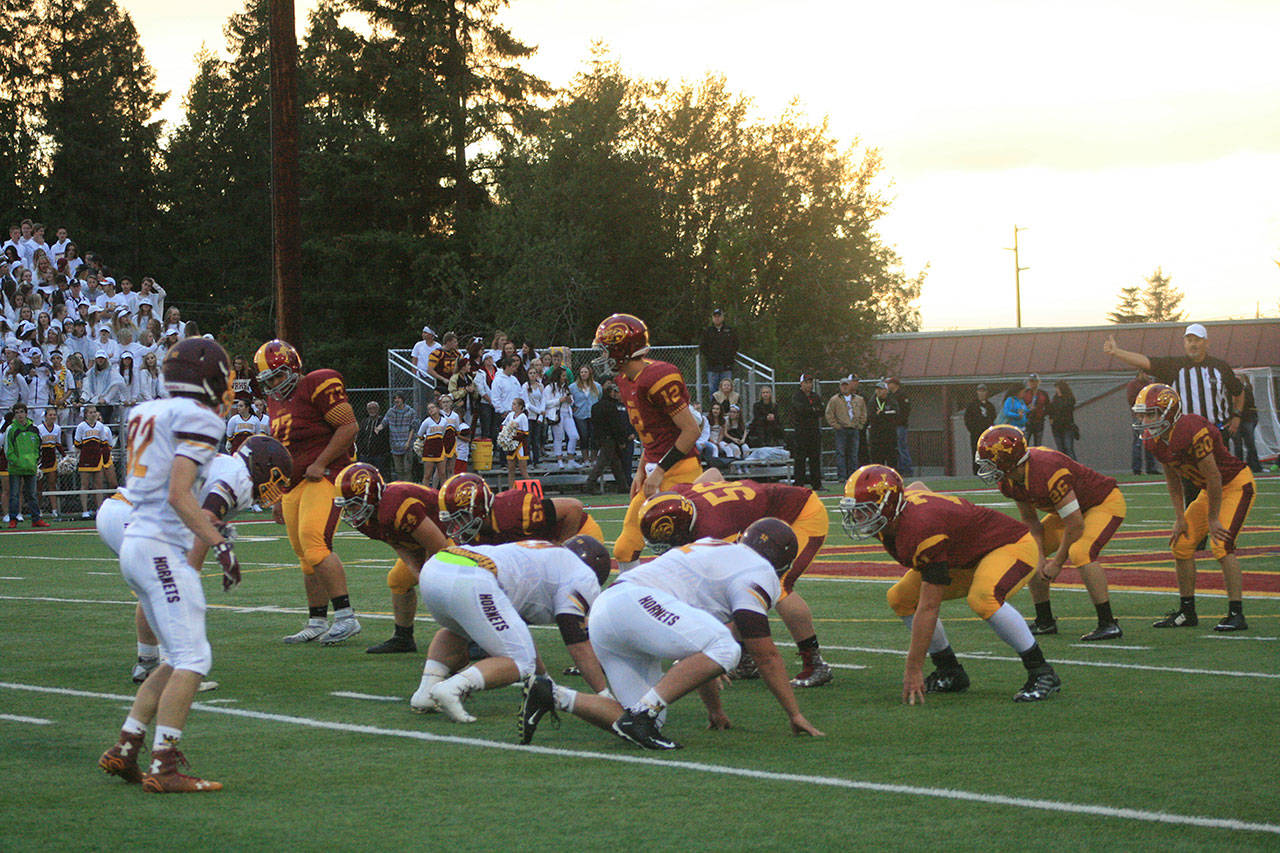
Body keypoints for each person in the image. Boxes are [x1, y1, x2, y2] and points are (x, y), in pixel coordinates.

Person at [518, 519, 824, 750]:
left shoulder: (718, 549)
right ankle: (644, 716)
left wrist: (715, 710)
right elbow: (764, 653)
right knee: (725, 648)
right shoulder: (760, 571)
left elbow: (698, 645)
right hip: (637, 603)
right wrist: (794, 714)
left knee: (631, 717)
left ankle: (553, 695)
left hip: (608, 610)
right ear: (781, 562)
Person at [96, 338, 242, 793]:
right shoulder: (199, 417)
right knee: (195, 658)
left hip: (137, 540)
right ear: (208, 377)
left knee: (174, 657)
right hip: (160, 545)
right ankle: (165, 765)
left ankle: (126, 747)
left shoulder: (146, 411)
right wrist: (219, 543)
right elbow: (180, 494)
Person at [841, 465, 1062, 703]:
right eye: (856, 510)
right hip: (965, 558)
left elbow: (929, 607)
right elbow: (918, 488)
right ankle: (949, 670)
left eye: (865, 510)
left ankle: (1042, 672)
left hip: (1010, 546)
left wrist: (913, 667)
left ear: (889, 504)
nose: (858, 518)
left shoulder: (921, 530)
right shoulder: (901, 511)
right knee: (901, 598)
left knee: (983, 598)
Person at [639, 470, 832, 687]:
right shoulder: (678, 495)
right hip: (766, 519)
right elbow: (713, 473)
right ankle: (745, 659)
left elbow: (727, 581)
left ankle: (815, 663)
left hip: (802, 512)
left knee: (776, 587)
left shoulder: (715, 530)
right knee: (742, 590)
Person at [409, 536, 613, 723]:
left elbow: (519, 636)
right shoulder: (583, 576)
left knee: (459, 630)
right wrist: (604, 695)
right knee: (521, 662)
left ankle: (426, 692)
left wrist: (545, 682)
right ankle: (452, 687)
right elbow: (577, 642)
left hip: (438, 566)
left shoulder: (549, 556)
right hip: (473, 577)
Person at [254, 339, 361, 645]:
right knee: (304, 555)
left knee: (315, 543)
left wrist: (322, 462)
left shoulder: (316, 383)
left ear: (293, 366)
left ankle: (346, 617)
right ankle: (316, 620)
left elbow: (349, 427)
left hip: (324, 475)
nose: (274, 384)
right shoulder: (276, 402)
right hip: (295, 481)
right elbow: (284, 450)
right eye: (268, 380)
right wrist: (277, 494)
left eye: (277, 375)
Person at [976, 425, 1124, 641]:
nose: (987, 468)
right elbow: (1030, 522)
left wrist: (1057, 563)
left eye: (990, 462)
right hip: (1071, 510)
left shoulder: (1047, 470)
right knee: (1029, 552)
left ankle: (1108, 623)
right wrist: (1040, 555)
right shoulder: (1009, 481)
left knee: (1081, 552)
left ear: (1008, 459)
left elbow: (1075, 525)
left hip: (1102, 502)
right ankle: (1044, 621)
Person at [1132, 383, 1255, 631]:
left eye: (1151, 414)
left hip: (1235, 483)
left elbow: (1214, 477)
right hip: (1211, 489)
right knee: (1182, 544)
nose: (1145, 420)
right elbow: (1173, 479)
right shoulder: (1154, 439)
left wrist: (1212, 519)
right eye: (1142, 414)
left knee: (1221, 545)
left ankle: (1236, 613)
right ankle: (1187, 612)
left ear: (1169, 412)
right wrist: (1180, 517)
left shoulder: (1191, 429)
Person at [590, 313, 701, 568]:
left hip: (680, 471)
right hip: (654, 471)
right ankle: (638, 599)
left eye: (607, 350)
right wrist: (641, 471)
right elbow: (647, 434)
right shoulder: (624, 380)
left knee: (683, 550)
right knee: (625, 548)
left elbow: (690, 431)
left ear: (622, 350)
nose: (603, 356)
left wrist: (659, 471)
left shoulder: (658, 377)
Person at [332, 462, 450, 655]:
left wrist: (429, 576)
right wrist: (416, 570)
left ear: (369, 495)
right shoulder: (368, 518)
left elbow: (438, 546)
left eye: (353, 504)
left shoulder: (396, 505)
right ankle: (403, 637)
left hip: (452, 535)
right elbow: (397, 543)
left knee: (449, 584)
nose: (351, 511)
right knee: (399, 580)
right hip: (424, 540)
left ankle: (473, 638)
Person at [439, 472, 605, 547]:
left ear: (479, 509)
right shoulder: (474, 532)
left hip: (580, 534)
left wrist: (561, 547)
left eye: (460, 517)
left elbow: (573, 507)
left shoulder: (513, 512)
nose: (457, 525)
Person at [586, 381, 632, 492]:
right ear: (610, 393)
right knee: (602, 463)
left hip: (600, 438)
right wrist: (622, 440)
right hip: (609, 439)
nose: (615, 394)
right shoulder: (611, 407)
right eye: (614, 392)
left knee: (616, 463)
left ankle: (623, 486)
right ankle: (590, 483)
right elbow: (616, 426)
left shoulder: (595, 407)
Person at [4, 403, 46, 527]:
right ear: (14, 415)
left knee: (32, 494)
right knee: (14, 495)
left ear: (26, 413)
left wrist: (35, 462)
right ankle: (13, 519)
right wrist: (16, 461)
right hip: (16, 468)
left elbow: (39, 448)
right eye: (17, 413)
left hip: (30, 467)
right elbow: (8, 450)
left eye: (22, 412)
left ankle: (36, 518)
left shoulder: (34, 429)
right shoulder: (11, 429)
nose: (20, 415)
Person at [75, 405, 115, 517]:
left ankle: (99, 509)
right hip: (85, 459)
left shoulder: (100, 426)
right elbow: (77, 443)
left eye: (94, 412)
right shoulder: (81, 427)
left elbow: (104, 443)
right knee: (84, 485)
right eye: (91, 412)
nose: (93, 414)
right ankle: (85, 511)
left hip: (97, 459)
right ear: (86, 414)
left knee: (99, 485)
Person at [825, 375, 865, 484]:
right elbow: (829, 414)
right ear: (840, 387)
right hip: (841, 430)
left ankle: (853, 476)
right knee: (841, 453)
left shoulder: (859, 399)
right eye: (842, 386)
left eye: (846, 385)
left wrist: (860, 424)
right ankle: (842, 476)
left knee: (853, 453)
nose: (845, 388)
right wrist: (836, 425)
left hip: (854, 429)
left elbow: (863, 413)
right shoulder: (834, 400)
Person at [790, 373, 823, 490]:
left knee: (815, 458)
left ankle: (817, 484)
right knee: (800, 459)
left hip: (814, 431)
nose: (809, 385)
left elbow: (821, 411)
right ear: (801, 383)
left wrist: (811, 410)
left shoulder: (815, 396)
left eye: (810, 382)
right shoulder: (797, 396)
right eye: (806, 382)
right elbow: (800, 410)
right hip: (801, 432)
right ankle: (799, 484)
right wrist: (812, 410)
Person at [699, 307, 738, 402]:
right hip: (712, 367)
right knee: (713, 390)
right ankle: (714, 410)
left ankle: (727, 411)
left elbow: (735, 344)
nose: (717, 318)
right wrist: (711, 358)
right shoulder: (708, 331)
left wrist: (729, 357)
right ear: (712, 318)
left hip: (726, 366)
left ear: (723, 317)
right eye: (715, 316)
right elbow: (703, 347)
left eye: (719, 316)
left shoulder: (729, 330)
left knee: (727, 389)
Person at [1124, 370, 1160, 474]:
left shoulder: (1150, 384)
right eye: (1145, 374)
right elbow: (1131, 400)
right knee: (1138, 443)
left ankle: (1151, 468)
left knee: (1151, 441)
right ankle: (1137, 468)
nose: (1147, 376)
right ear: (1140, 373)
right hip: (1139, 417)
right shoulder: (1133, 385)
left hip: (1150, 416)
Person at [545, 364, 579, 469]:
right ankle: (559, 460)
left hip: (567, 413)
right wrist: (559, 400)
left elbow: (571, 400)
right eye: (563, 376)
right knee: (558, 437)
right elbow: (546, 403)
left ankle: (570, 458)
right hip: (556, 414)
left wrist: (569, 400)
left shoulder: (566, 387)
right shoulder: (550, 387)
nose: (565, 378)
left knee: (574, 435)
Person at [569, 364, 599, 465]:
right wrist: (573, 408)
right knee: (584, 436)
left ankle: (594, 458)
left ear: (589, 373)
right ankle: (585, 459)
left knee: (594, 436)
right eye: (582, 372)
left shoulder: (597, 386)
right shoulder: (573, 387)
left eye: (585, 372)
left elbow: (599, 398)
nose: (583, 374)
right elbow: (570, 399)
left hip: (593, 414)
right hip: (580, 415)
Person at [381, 392, 417, 479]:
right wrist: (378, 428)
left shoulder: (411, 411)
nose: (396, 400)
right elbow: (384, 422)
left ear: (403, 399)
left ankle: (408, 489)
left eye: (399, 398)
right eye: (395, 398)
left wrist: (408, 442)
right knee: (398, 470)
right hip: (395, 445)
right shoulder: (391, 411)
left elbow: (413, 427)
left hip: (407, 445)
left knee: (407, 469)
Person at [963, 384, 996, 475]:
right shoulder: (972, 405)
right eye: (980, 391)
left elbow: (993, 418)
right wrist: (973, 429)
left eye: (984, 391)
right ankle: (976, 472)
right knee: (976, 452)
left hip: (987, 434)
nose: (982, 393)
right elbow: (967, 419)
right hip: (976, 434)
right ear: (977, 392)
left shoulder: (990, 406)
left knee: (989, 452)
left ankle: (990, 471)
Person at [37, 407, 63, 517]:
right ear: (45, 416)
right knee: (39, 487)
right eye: (50, 415)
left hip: (52, 459)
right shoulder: (39, 428)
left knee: (52, 485)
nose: (52, 417)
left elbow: (58, 444)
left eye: (54, 415)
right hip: (41, 460)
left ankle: (54, 510)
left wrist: (65, 457)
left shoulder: (57, 428)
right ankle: (38, 510)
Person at [867, 380, 898, 469]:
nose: (878, 391)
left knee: (892, 458)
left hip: (889, 435)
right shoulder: (872, 402)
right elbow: (871, 416)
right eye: (877, 389)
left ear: (886, 390)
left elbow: (895, 414)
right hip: (877, 436)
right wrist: (884, 415)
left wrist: (882, 413)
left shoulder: (891, 401)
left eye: (881, 389)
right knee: (877, 461)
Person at [417, 401, 448, 489]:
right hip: (429, 450)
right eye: (429, 409)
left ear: (438, 409)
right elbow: (419, 434)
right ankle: (425, 494)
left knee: (442, 474)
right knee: (427, 475)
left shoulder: (444, 421)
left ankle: (443, 494)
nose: (431, 410)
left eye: (432, 407)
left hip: (440, 449)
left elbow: (443, 434)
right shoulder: (427, 421)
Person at [1231, 381, 1262, 473]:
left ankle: (1254, 465)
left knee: (1250, 443)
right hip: (1238, 420)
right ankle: (1239, 467)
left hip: (1247, 419)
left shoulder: (1247, 390)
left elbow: (1250, 404)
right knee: (1238, 445)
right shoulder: (1230, 391)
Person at [500, 397, 530, 489]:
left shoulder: (523, 417)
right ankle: (511, 490)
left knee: (523, 470)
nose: (512, 406)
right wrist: (505, 434)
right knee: (511, 470)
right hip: (511, 445)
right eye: (512, 404)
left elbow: (526, 433)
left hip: (520, 445)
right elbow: (503, 425)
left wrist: (513, 436)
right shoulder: (510, 415)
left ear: (520, 406)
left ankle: (532, 491)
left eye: (514, 404)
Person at [885, 377, 913, 476]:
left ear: (895, 384)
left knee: (902, 447)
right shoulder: (889, 396)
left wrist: (898, 421)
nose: (888, 385)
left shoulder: (902, 395)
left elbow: (906, 411)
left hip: (900, 426)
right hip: (891, 427)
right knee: (895, 448)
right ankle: (899, 469)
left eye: (889, 383)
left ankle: (907, 469)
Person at [356, 400, 392, 477]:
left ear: (378, 409)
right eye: (370, 408)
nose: (372, 410)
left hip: (379, 456)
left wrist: (384, 453)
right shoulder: (364, 422)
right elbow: (360, 437)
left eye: (374, 408)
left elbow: (386, 438)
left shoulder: (383, 422)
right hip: (365, 455)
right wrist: (360, 450)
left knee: (380, 475)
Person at [411, 326, 440, 411]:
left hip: (433, 377)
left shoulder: (438, 346)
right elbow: (414, 360)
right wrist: (415, 374)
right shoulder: (418, 345)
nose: (423, 334)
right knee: (420, 400)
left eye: (425, 332)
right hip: (420, 376)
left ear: (431, 335)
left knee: (432, 399)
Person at [1047, 379, 1078, 460]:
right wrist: (1051, 418)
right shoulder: (1055, 398)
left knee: (1068, 449)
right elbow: (1051, 409)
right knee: (1061, 450)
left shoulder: (1069, 398)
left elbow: (1066, 410)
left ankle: (1074, 468)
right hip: (1057, 427)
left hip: (1066, 426)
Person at [1020, 374, 1050, 446]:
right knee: (1025, 443)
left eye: (1034, 381)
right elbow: (1019, 405)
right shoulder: (1025, 393)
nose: (1032, 383)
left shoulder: (1043, 393)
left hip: (1039, 421)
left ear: (1038, 382)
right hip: (1027, 422)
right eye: (1031, 381)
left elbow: (1048, 406)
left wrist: (1042, 413)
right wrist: (1027, 408)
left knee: (1038, 444)